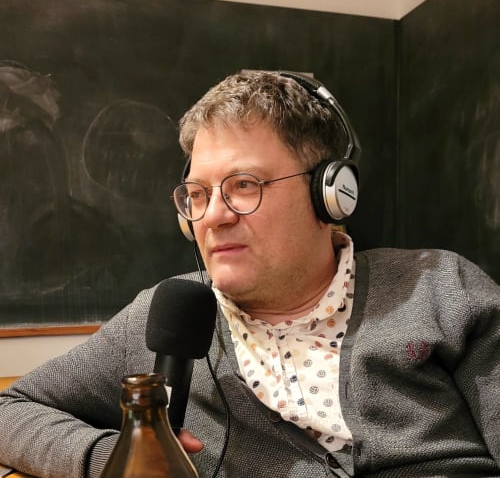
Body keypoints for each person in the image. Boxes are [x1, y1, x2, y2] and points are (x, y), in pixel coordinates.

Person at [0, 70, 499, 478]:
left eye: (243, 184)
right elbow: (9, 411)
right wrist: (115, 459)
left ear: (329, 195)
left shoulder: (441, 289)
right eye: (198, 194)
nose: (212, 217)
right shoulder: (163, 318)